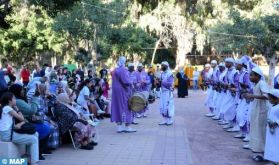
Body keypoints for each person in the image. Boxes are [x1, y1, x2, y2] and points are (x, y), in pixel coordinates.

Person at [0, 92, 39, 165]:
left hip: (8, 133)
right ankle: (34, 162)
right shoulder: (7, 108)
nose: (15, 100)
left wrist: (20, 123)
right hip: (7, 135)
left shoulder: (5, 108)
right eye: (14, 98)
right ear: (9, 101)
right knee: (33, 139)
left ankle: (28, 158)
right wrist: (17, 108)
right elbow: (21, 118)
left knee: (35, 134)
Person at [243, 67, 269, 162]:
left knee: (261, 132)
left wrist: (252, 96)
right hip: (256, 109)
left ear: (257, 76)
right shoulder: (256, 84)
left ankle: (264, 154)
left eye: (251, 75)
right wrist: (248, 96)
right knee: (256, 131)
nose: (249, 77)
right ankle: (259, 153)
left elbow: (267, 96)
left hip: (262, 111)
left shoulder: (262, 83)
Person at [111, 56, 136, 133]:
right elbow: (125, 81)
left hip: (115, 92)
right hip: (123, 91)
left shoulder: (115, 69)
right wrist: (131, 83)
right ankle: (127, 127)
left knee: (117, 107)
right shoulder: (123, 70)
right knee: (125, 106)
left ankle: (119, 127)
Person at [264, 89, 279, 164]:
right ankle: (274, 160)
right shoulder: (273, 106)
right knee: (271, 144)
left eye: (271, 99)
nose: (269, 100)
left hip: (277, 130)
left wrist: (276, 123)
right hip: (271, 129)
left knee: (276, 144)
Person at [159, 61, 175, 125]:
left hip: (168, 92)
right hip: (162, 92)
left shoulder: (170, 73)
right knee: (162, 106)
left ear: (167, 66)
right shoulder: (162, 73)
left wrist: (161, 82)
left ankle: (169, 120)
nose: (162, 67)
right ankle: (164, 120)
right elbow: (160, 83)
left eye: (163, 66)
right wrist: (157, 83)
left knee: (168, 106)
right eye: (161, 65)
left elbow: (170, 84)